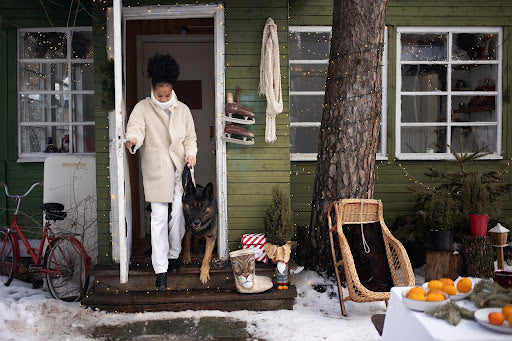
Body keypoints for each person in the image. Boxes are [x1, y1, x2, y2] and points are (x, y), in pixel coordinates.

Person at [125, 53, 197, 290]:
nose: (163, 97)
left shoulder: (183, 109)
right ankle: (161, 269)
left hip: (179, 170)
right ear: (152, 88)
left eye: (167, 94)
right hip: (156, 169)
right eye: (159, 94)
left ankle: (174, 254)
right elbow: (136, 128)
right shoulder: (142, 108)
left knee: (177, 214)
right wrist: (132, 139)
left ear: (172, 89)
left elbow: (190, 138)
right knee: (157, 218)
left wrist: (191, 153)